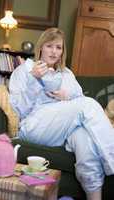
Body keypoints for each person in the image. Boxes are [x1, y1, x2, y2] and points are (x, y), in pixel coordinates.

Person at [9, 27, 114, 200]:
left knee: (86, 145)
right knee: (88, 104)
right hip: (35, 126)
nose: (54, 51)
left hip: (65, 128)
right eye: (50, 46)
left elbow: (78, 102)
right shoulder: (24, 70)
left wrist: (67, 95)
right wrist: (33, 80)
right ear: (41, 47)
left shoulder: (66, 74)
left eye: (58, 47)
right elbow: (19, 109)